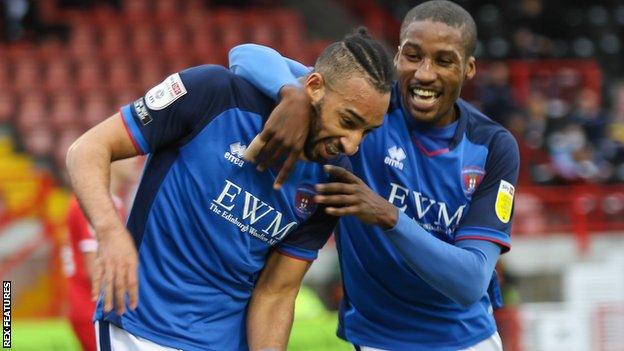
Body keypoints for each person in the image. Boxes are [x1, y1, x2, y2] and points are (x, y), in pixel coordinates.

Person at [65, 28, 393, 351]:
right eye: (348, 121)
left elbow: (276, 293)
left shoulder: (332, 180)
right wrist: (110, 232)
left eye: (366, 131)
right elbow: (88, 149)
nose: (352, 145)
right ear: (315, 87)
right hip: (141, 326)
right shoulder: (213, 94)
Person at [228, 1, 520, 350]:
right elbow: (244, 55)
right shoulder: (365, 113)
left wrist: (389, 216)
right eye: (413, 56)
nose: (425, 74)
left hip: (467, 341)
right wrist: (291, 95)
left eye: (443, 61)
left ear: (469, 68)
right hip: (376, 340)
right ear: (397, 57)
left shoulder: (493, 147)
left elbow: (470, 282)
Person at [62, 158, 138, 351]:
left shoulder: (113, 202)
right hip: (90, 306)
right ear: (114, 157)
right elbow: (94, 269)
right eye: (130, 155)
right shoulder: (94, 203)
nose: (137, 161)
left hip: (95, 306)